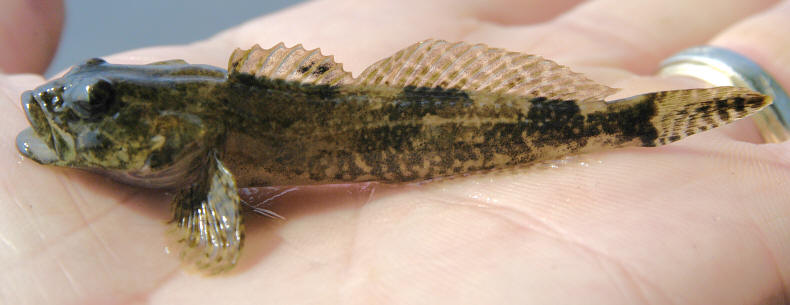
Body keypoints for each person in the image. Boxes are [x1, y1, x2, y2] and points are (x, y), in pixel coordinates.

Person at [2, 0, 789, 304]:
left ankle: (631, 123)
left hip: (451, 119)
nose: (66, 108)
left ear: (178, 128)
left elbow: (214, 245)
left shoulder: (209, 149)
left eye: (100, 103)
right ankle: (636, 121)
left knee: (591, 124)